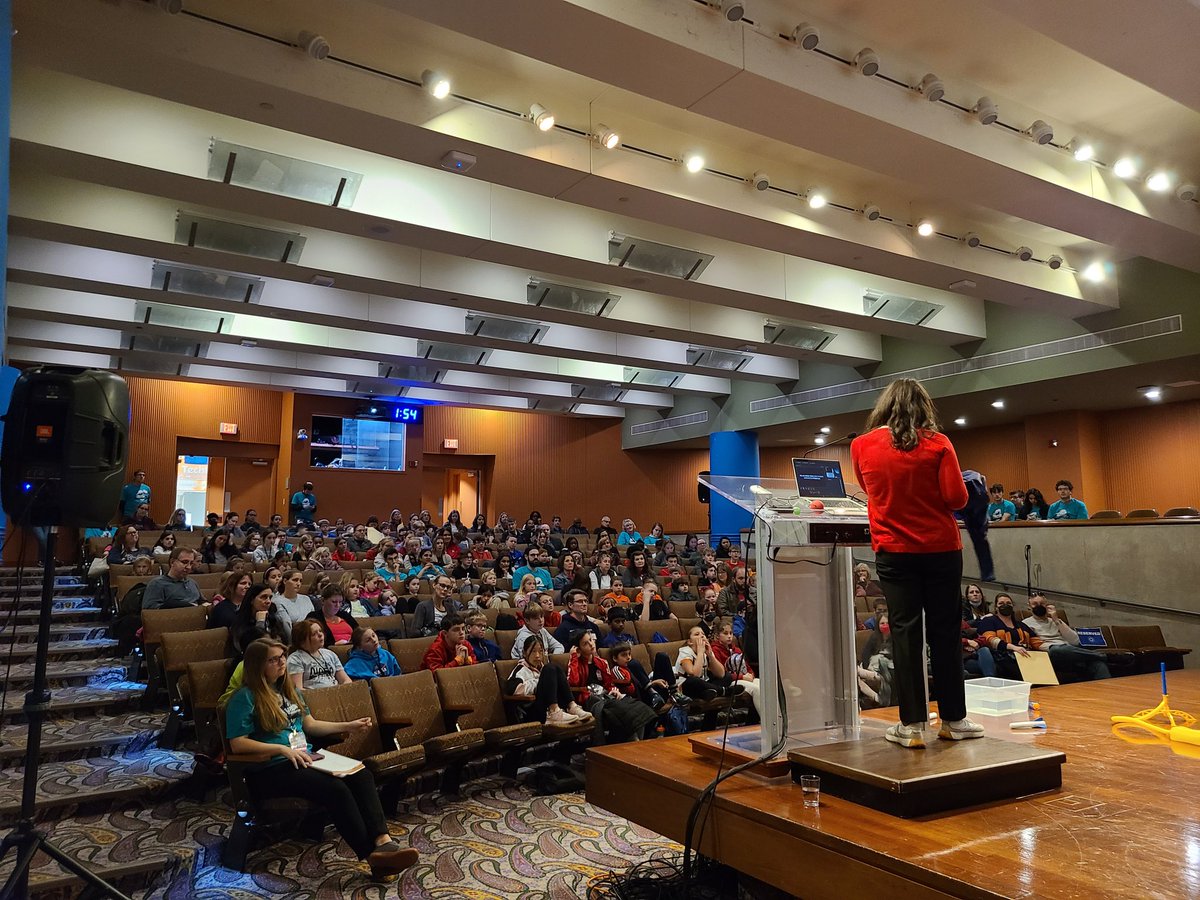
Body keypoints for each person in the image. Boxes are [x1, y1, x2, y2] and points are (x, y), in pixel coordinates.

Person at [850, 377, 983, 748]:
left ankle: (911, 726)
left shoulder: (861, 446)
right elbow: (956, 499)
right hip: (941, 549)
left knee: (905, 636)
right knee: (945, 633)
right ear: (924, 407)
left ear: (884, 406)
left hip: (894, 552)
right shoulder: (939, 443)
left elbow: (868, 488)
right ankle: (954, 719)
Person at [224, 638, 418, 879]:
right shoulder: (245, 697)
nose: (281, 662)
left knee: (361, 774)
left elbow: (309, 724)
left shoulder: (288, 690)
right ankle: (372, 857)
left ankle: (383, 841)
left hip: (304, 756)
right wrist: (281, 750)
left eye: (282, 656)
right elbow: (237, 743)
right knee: (335, 788)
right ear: (257, 665)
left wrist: (349, 725)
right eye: (273, 659)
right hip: (269, 769)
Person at [567, 631, 656, 743]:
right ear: (578, 649)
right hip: (591, 700)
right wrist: (574, 657)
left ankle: (637, 741)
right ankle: (634, 743)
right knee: (626, 713)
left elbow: (609, 684)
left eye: (590, 640)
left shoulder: (602, 662)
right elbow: (572, 683)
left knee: (639, 707)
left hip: (607, 697)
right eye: (585, 643)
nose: (591, 644)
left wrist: (615, 691)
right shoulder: (576, 663)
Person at [507, 635, 591, 725]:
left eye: (540, 651)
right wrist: (540, 682)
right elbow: (513, 689)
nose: (537, 655)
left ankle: (572, 706)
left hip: (548, 706)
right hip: (532, 712)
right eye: (533, 651)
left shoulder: (542, 668)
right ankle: (554, 711)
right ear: (524, 653)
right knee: (549, 668)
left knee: (556, 668)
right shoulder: (521, 669)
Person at [1022, 596, 1110, 681]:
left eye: (1042, 603)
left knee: (1098, 663)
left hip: (1069, 651)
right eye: (1035, 604)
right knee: (1057, 650)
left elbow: (1075, 640)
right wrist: (1053, 647)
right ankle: (1102, 655)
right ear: (1029, 607)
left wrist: (1056, 619)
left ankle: (1108, 692)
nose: (1039, 606)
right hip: (1051, 654)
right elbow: (1036, 644)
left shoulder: (1055, 620)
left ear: (1047, 605)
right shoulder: (1026, 623)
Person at [974, 592, 1041, 680]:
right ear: (996, 607)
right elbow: (990, 640)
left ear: (1012, 606)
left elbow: (1037, 643)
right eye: (1001, 603)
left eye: (1008, 603)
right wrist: (1013, 647)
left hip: (1024, 656)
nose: (1005, 605)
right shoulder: (989, 621)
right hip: (1002, 656)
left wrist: (1052, 648)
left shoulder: (1021, 625)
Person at [710, 618, 760, 718]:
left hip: (743, 677)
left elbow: (746, 665)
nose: (729, 636)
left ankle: (752, 721)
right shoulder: (714, 650)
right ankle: (764, 720)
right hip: (730, 681)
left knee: (764, 685)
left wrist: (751, 674)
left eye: (731, 633)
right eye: (725, 633)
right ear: (717, 636)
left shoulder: (736, 649)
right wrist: (742, 677)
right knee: (756, 689)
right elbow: (723, 675)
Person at [287, 618, 351, 690]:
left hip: (336, 694)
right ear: (302, 642)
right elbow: (298, 690)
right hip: (314, 698)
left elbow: (346, 680)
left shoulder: (330, 654)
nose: (320, 635)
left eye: (320, 631)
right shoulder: (295, 659)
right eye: (314, 634)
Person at [232, 582, 289, 657]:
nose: (268, 601)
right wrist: (260, 622)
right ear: (251, 600)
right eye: (264, 597)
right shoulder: (240, 622)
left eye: (270, 598)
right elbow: (255, 649)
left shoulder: (272, 619)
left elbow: (284, 642)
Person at [273, 569, 317, 633]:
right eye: (295, 580)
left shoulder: (306, 598)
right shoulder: (277, 601)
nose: (298, 583)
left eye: (300, 581)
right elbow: (286, 625)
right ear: (285, 581)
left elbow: (314, 619)